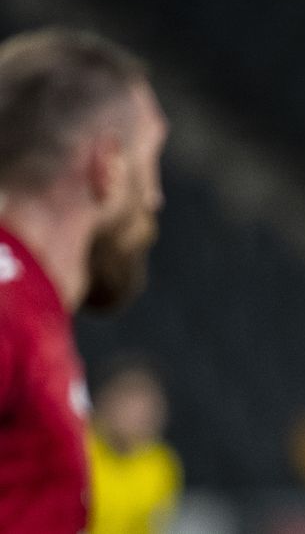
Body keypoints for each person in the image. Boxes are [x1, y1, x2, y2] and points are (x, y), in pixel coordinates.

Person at [0, 27, 168, 532]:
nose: (157, 197)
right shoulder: (9, 311)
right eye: (152, 163)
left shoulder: (30, 310)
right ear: (108, 165)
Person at [87, 354, 183, 534]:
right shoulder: (73, 453)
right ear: (102, 400)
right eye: (129, 399)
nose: (139, 414)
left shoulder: (161, 466)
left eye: (148, 404)